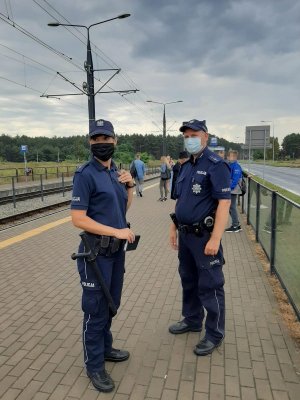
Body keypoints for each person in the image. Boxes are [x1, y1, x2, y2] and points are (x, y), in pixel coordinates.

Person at [70, 119, 135, 393]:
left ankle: (106, 348)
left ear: (115, 141)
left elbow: (123, 209)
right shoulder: (84, 174)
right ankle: (94, 365)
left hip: (115, 252)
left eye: (106, 139)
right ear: (90, 143)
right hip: (95, 254)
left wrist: (130, 186)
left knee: (111, 304)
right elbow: (77, 218)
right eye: (96, 140)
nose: (101, 144)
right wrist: (116, 232)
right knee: (95, 310)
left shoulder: (115, 173)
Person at [169, 119, 231, 356]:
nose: (189, 139)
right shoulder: (186, 166)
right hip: (185, 235)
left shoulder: (217, 165)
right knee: (189, 280)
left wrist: (216, 238)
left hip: (204, 237)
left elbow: (224, 203)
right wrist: (173, 226)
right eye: (185, 136)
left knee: (210, 285)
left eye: (193, 135)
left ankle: (214, 333)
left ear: (206, 136)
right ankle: (193, 319)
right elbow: (180, 200)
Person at [225, 150, 243, 233]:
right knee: (230, 207)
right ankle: (236, 224)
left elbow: (235, 179)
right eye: (228, 156)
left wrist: (230, 188)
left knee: (232, 207)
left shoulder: (236, 166)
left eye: (231, 156)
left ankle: (235, 225)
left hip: (233, 190)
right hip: (230, 189)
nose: (229, 157)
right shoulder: (230, 164)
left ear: (235, 157)